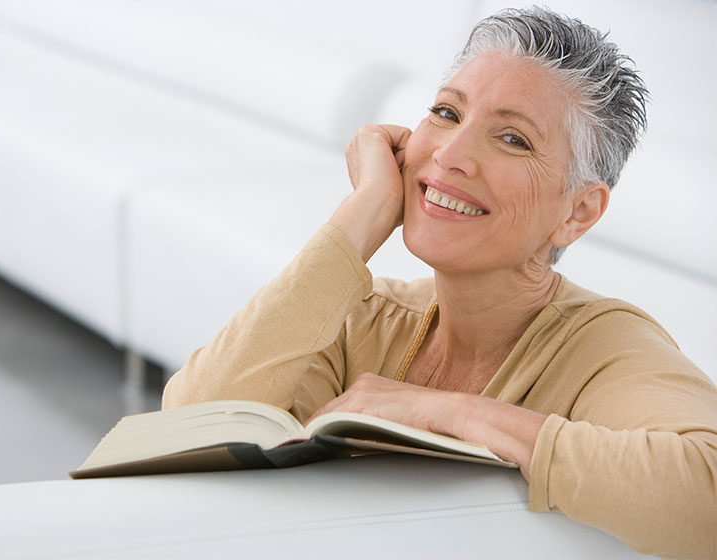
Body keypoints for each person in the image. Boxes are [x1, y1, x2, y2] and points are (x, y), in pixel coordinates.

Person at [163, 6, 717, 558]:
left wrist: (447, 412)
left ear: (577, 212)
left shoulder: (604, 346)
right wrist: (363, 214)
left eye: (513, 139)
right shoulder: (365, 319)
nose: (451, 155)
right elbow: (189, 430)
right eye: (446, 113)